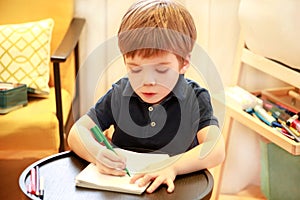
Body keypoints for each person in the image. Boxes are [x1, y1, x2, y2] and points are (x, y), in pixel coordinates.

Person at [68, 0, 225, 194]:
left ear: (184, 63)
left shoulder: (195, 98)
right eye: (135, 69)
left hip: (174, 190)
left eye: (161, 70)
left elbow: (215, 149)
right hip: (123, 189)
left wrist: (172, 166)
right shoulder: (120, 93)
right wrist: (97, 153)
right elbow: (78, 131)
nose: (147, 81)